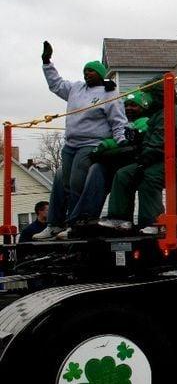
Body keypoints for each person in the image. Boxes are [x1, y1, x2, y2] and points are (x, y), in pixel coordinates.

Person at [39, 41, 127, 239]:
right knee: (64, 180)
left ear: (101, 73)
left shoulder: (109, 93)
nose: (87, 73)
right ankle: (55, 225)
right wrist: (47, 62)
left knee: (77, 182)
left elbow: (118, 121)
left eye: (91, 71)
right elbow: (56, 84)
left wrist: (121, 140)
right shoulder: (75, 89)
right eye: (85, 70)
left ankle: (75, 225)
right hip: (70, 145)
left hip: (91, 145)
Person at [97, 80, 177, 235]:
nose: (145, 100)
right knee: (124, 174)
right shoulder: (157, 114)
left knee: (149, 177)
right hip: (161, 158)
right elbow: (150, 140)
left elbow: (162, 143)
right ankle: (120, 219)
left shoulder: (173, 113)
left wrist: (142, 163)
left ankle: (154, 221)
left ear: (158, 96)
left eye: (148, 95)